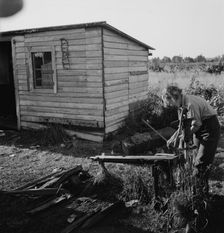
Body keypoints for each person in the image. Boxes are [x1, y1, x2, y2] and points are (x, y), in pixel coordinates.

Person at [162, 84, 220, 195]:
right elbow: (182, 126)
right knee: (196, 159)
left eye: (170, 103)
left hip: (209, 128)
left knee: (201, 162)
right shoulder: (181, 104)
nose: (171, 106)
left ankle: (198, 194)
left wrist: (184, 136)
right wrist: (172, 138)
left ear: (174, 97)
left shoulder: (190, 104)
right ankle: (201, 190)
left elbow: (196, 125)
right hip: (200, 128)